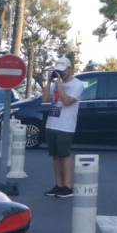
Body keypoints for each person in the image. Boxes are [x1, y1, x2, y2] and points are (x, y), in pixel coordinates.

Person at [41, 55, 82, 197]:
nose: (61, 74)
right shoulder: (54, 84)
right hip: (51, 124)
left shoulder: (77, 84)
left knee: (64, 155)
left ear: (69, 69)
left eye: (63, 71)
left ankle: (68, 186)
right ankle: (58, 185)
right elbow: (45, 99)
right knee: (55, 156)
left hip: (65, 126)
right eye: (58, 71)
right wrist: (48, 83)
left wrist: (59, 85)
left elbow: (66, 101)